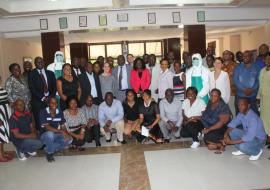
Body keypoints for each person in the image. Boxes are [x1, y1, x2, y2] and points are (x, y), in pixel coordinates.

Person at [39, 97, 72, 162]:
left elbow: (62, 125)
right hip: (45, 136)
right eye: (52, 103)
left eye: (55, 103)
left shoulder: (59, 112)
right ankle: (50, 153)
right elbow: (47, 127)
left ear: (57, 104)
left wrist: (66, 134)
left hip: (56, 135)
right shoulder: (43, 112)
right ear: (48, 104)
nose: (54, 104)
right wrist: (61, 131)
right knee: (50, 134)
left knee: (70, 140)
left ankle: (49, 147)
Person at [28, 57, 56, 130]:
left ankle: (51, 133)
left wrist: (51, 98)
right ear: (35, 64)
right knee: (39, 120)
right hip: (38, 101)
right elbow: (32, 88)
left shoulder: (50, 73)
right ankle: (41, 136)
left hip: (50, 101)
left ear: (44, 62)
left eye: (41, 61)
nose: (40, 63)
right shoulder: (31, 74)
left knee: (50, 118)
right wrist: (43, 98)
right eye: (38, 62)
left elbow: (54, 87)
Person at [233, 50, 260, 115]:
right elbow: (235, 79)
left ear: (251, 57)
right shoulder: (238, 67)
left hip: (252, 96)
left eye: (247, 56)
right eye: (243, 56)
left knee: (253, 114)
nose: (244, 57)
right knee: (240, 114)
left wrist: (252, 89)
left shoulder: (256, 67)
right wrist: (244, 89)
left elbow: (258, 80)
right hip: (240, 95)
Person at [257, 52, 270, 146]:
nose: (267, 61)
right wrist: (258, 97)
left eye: (269, 59)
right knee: (263, 118)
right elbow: (260, 85)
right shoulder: (262, 70)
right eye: (266, 59)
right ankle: (266, 136)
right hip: (263, 99)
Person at [0, 75, 13, 162]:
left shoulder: (0, 88)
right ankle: (0, 156)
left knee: (3, 134)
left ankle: (2, 152)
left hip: (4, 114)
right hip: (0, 115)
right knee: (0, 135)